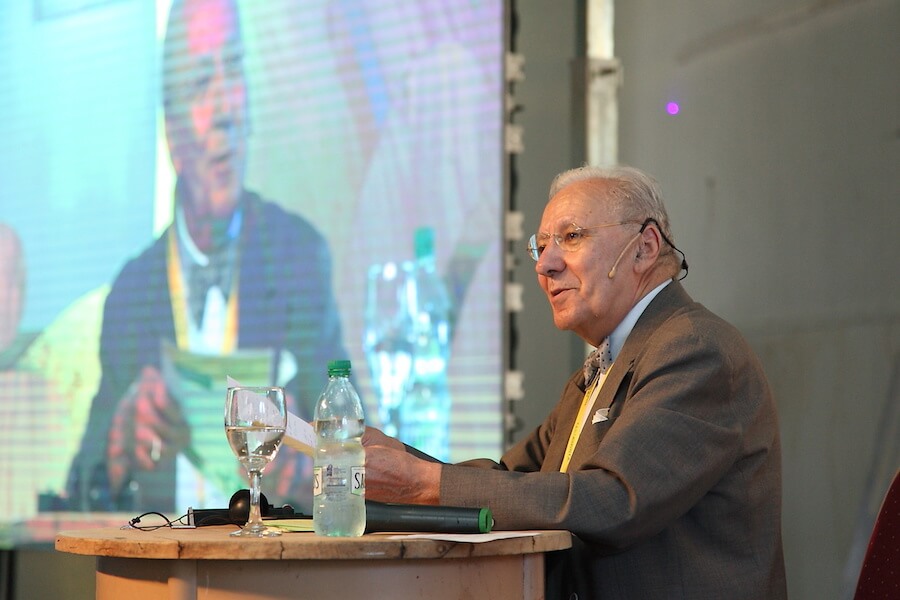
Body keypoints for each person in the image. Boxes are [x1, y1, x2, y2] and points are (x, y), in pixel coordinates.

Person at [363, 165, 788, 599]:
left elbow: (614, 502)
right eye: (541, 245)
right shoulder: (605, 365)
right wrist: (394, 457)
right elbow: (511, 478)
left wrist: (422, 482)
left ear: (644, 247)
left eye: (571, 237)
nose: (544, 265)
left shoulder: (694, 348)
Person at [66, 0, 346, 514]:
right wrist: (119, 445)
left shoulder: (299, 257)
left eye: (233, 70)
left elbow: (357, 453)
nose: (225, 109)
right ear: (172, 132)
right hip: (166, 556)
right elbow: (81, 489)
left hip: (272, 558)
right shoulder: (132, 291)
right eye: (199, 84)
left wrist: (312, 465)